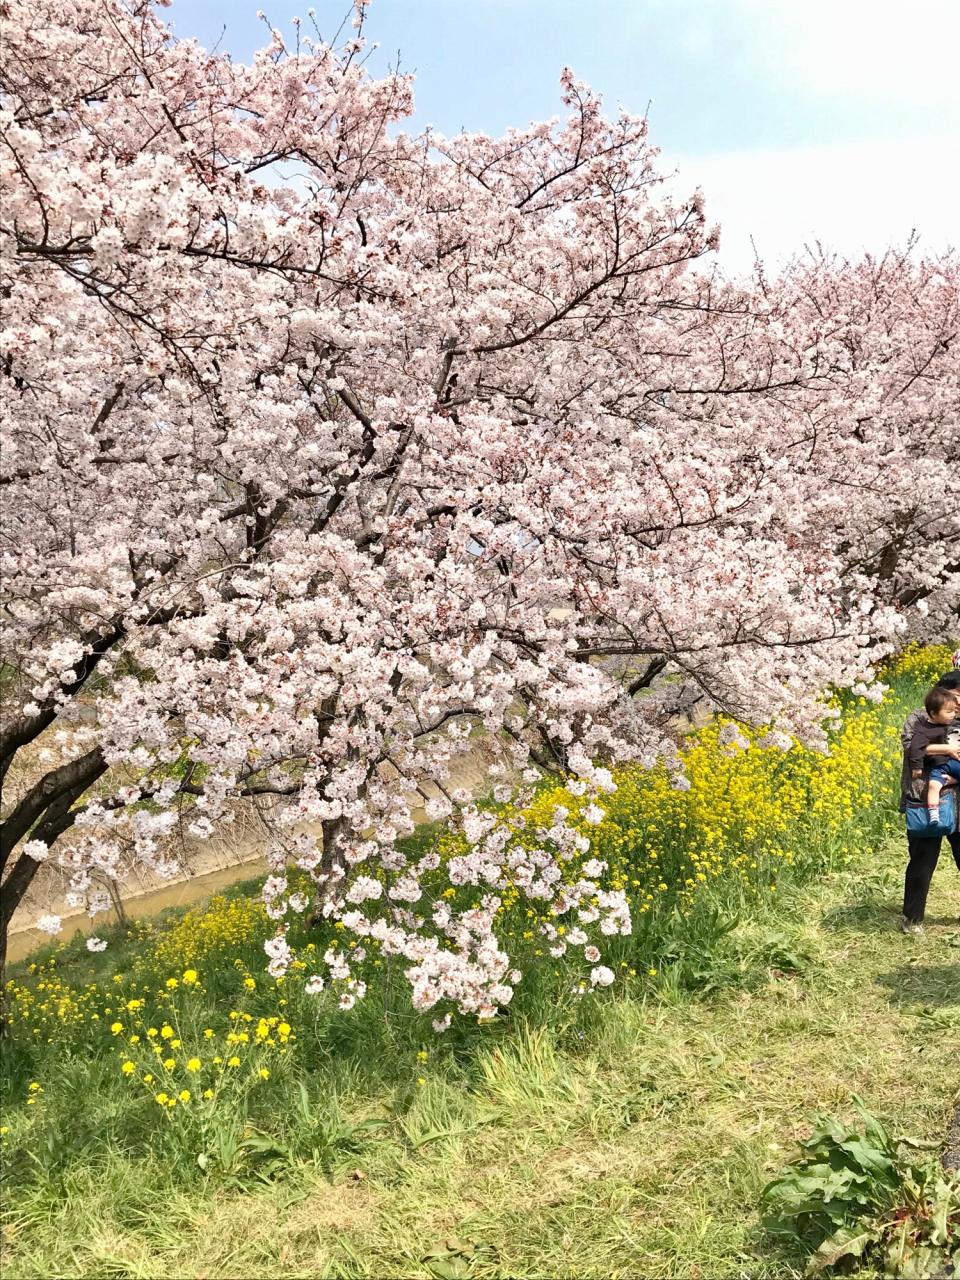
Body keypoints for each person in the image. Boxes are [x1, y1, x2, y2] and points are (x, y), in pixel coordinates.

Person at [900, 671, 960, 934]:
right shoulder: (919, 717)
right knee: (923, 860)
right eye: (956, 697)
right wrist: (947, 750)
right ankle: (913, 919)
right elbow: (911, 746)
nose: (957, 705)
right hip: (926, 796)